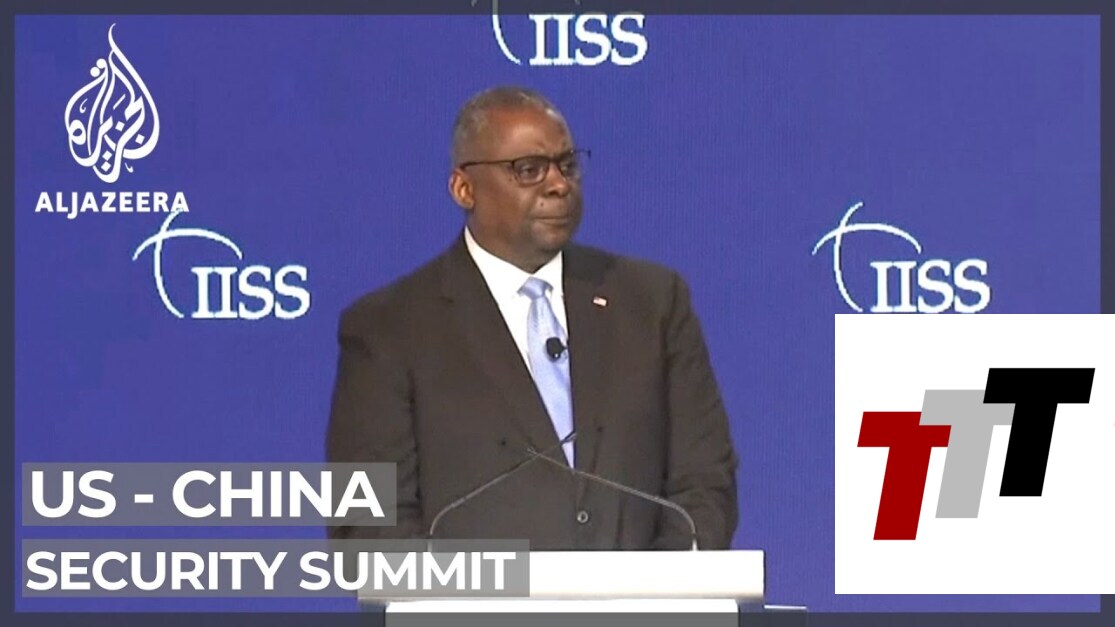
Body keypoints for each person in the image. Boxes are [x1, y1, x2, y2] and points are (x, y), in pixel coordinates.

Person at [326, 86, 738, 550]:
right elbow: (368, 525)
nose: (558, 185)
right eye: (529, 169)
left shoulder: (652, 302)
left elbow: (704, 480)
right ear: (464, 188)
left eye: (567, 165)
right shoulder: (389, 328)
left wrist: (658, 588)